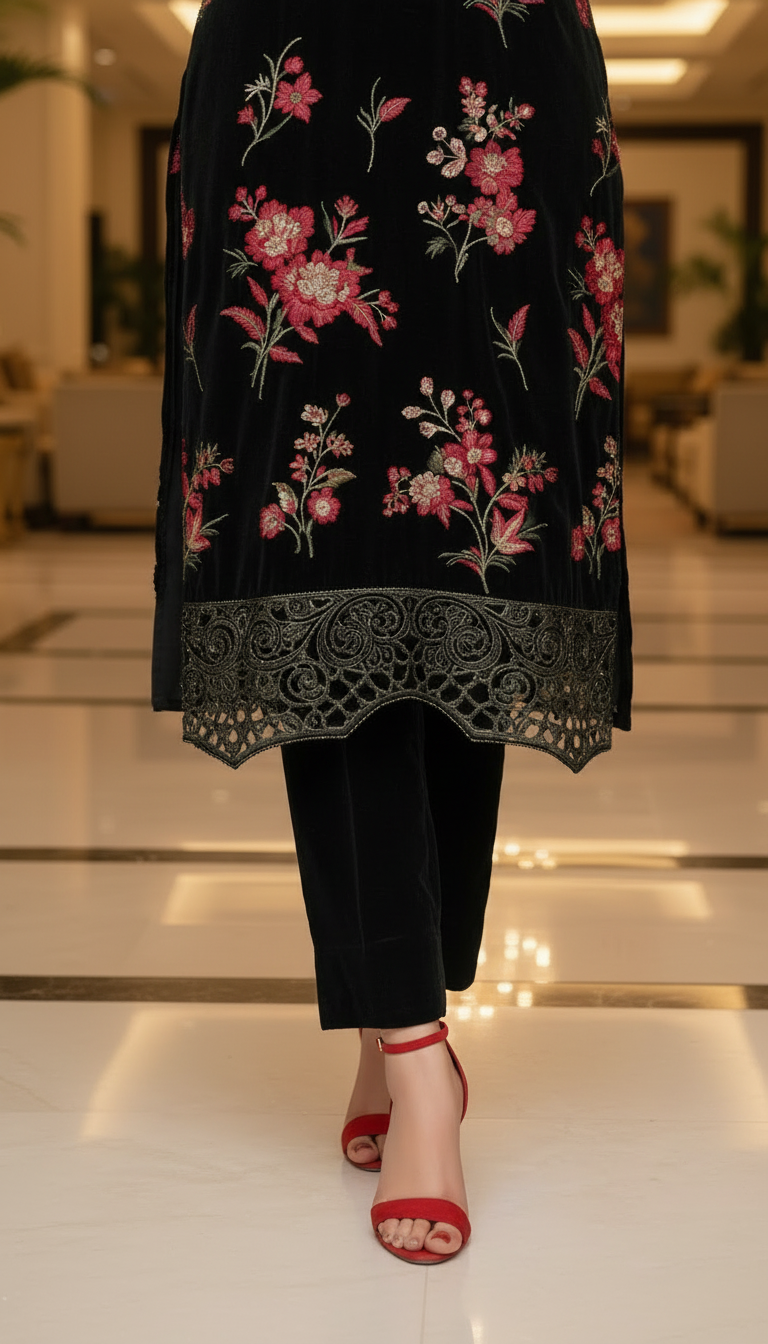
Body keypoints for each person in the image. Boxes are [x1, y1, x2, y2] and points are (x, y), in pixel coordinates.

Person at [152, 0, 631, 1264]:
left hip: (500, 52)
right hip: (295, 58)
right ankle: (418, 1052)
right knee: (321, 553)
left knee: (478, 539)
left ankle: (393, 1013)